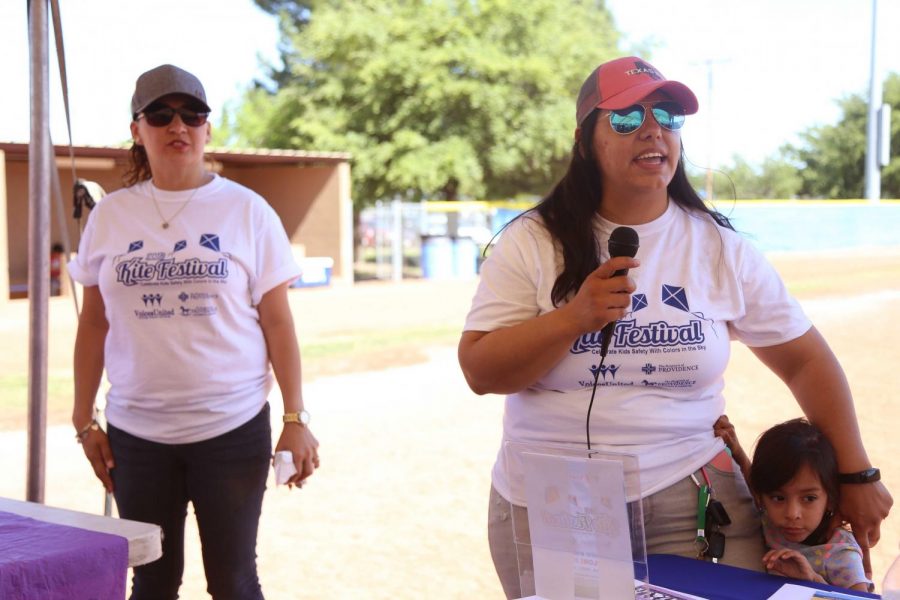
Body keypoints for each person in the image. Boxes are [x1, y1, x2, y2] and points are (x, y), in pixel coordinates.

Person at [456, 56, 892, 598]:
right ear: (584, 138)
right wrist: (573, 319)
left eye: (667, 115)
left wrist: (856, 474)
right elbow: (480, 370)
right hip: (554, 504)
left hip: (693, 498)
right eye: (625, 118)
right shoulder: (530, 241)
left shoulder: (719, 247)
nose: (652, 128)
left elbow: (805, 360)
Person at [69, 64, 320, 600]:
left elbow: (278, 322)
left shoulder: (247, 211)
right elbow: (93, 323)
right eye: (159, 115)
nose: (177, 126)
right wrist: (82, 416)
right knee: (153, 580)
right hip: (137, 436)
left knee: (233, 580)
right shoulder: (109, 217)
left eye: (192, 114)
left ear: (208, 128)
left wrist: (295, 417)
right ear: (137, 130)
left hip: (232, 429)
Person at [716, 416, 873, 592]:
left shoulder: (841, 555)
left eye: (809, 498)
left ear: (831, 499)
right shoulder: (769, 515)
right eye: (779, 498)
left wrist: (813, 580)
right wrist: (737, 452)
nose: (792, 513)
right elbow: (757, 485)